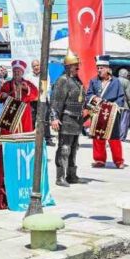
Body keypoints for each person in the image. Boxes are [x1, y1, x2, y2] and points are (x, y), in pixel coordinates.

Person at [49, 50, 84, 186]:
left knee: (74, 148)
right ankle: (60, 177)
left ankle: (71, 174)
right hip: (67, 118)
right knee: (64, 148)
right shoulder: (62, 80)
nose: (78, 67)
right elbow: (55, 101)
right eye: (75, 65)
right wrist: (54, 117)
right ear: (69, 66)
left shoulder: (76, 81)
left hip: (77, 119)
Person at [85, 56, 127, 168]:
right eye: (98, 68)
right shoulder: (94, 81)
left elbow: (121, 97)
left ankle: (118, 161)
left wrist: (115, 106)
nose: (99, 70)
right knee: (98, 136)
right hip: (98, 112)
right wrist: (94, 98)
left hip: (112, 113)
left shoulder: (116, 82)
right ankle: (99, 160)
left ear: (108, 69)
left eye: (101, 68)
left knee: (114, 138)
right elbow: (88, 94)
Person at [0, 60, 38, 135]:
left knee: (24, 135)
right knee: (8, 136)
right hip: (9, 113)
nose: (16, 73)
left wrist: (26, 88)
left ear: (22, 72)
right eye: (14, 71)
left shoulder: (28, 84)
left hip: (24, 113)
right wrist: (2, 95)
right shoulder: (7, 84)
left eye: (19, 71)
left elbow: (36, 94)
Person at [117, 68, 130, 137]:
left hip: (115, 103)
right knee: (124, 121)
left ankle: (116, 135)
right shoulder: (126, 81)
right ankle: (122, 136)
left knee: (117, 121)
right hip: (124, 104)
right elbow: (129, 94)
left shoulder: (114, 80)